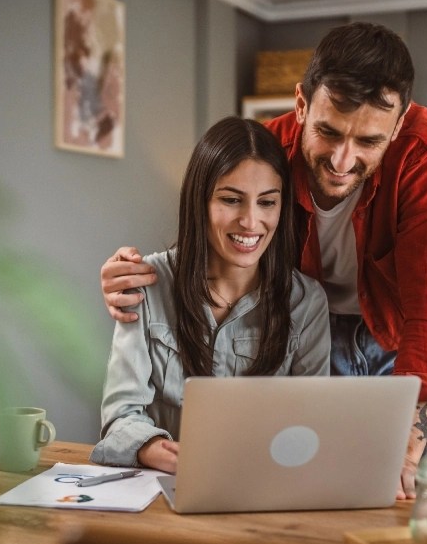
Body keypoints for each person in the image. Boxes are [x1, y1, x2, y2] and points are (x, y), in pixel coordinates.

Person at [100, 22, 427, 497]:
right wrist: (131, 277)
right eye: (327, 132)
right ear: (301, 106)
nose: (342, 161)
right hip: (300, 327)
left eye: (368, 142)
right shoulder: (267, 152)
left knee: (380, 489)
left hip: (385, 340)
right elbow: (216, 239)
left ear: (397, 128)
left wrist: (408, 444)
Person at [90, 116, 330, 473]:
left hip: (260, 486)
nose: (250, 221)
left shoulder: (306, 303)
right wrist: (154, 448)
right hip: (163, 486)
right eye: (231, 200)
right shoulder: (146, 284)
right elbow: (120, 415)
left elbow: (311, 427)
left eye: (267, 202)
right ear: (199, 201)